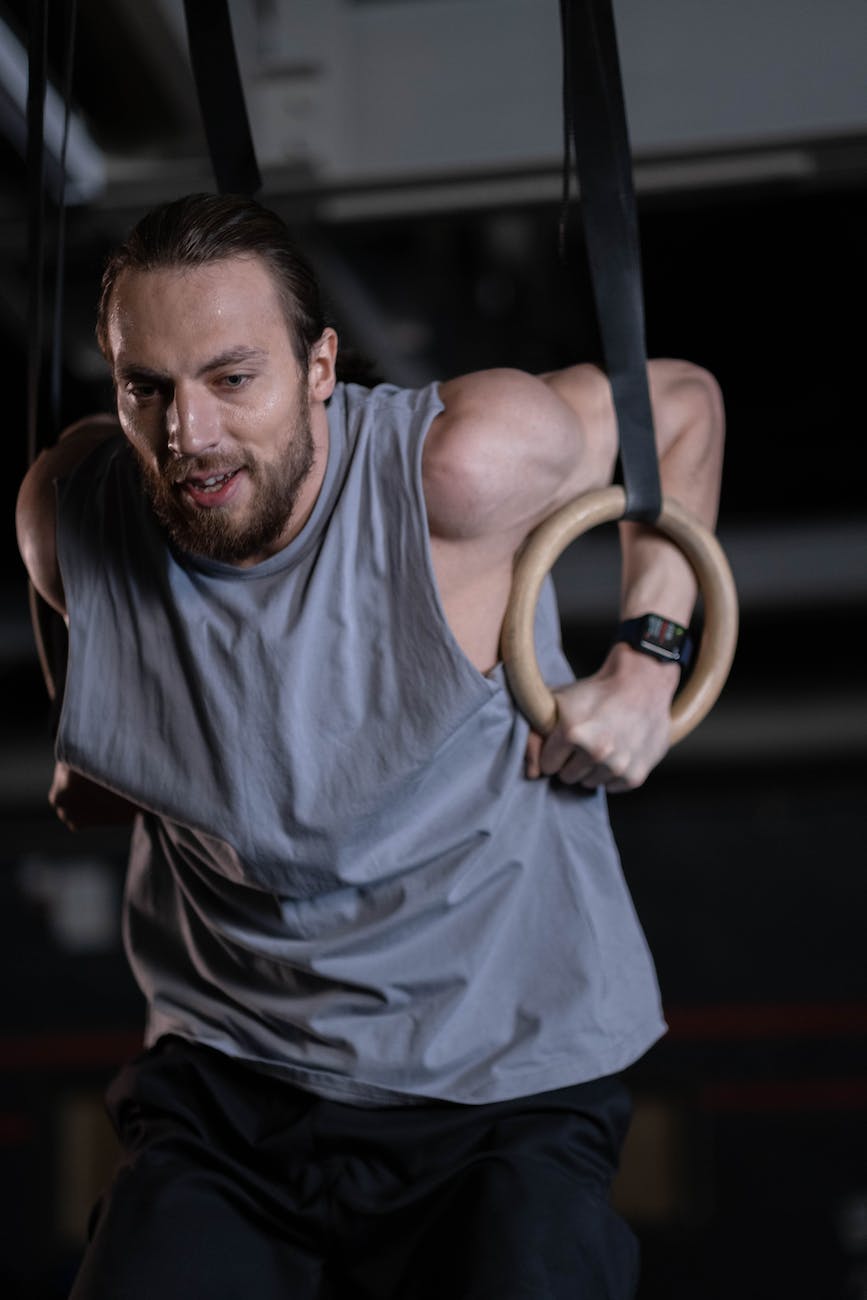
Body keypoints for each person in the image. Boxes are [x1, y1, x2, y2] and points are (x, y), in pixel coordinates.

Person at [16, 193, 724, 1299]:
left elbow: (678, 405)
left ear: (319, 367)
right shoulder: (69, 518)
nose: (187, 433)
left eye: (232, 377)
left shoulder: (460, 471)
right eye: (146, 386)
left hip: (499, 1083)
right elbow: (114, 728)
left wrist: (647, 661)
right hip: (231, 1077)